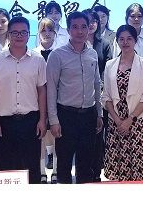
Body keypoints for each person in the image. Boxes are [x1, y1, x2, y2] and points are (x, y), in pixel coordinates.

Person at [0, 16, 47, 184]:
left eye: (23, 32)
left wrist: (42, 120)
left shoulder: (38, 60)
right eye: (15, 32)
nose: (19, 36)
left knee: (31, 168)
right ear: (8, 34)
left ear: (29, 34)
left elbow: (42, 91)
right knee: (4, 170)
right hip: (4, 123)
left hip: (31, 122)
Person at [46, 11, 102, 184]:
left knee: (86, 164)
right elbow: (51, 89)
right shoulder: (57, 55)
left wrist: (99, 113)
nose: (80, 31)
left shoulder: (92, 54)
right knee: (64, 164)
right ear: (68, 29)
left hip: (89, 115)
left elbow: (96, 84)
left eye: (84, 27)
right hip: (66, 116)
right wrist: (53, 120)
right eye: (75, 27)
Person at [102, 24, 143, 181]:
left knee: (140, 170)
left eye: (129, 39)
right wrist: (118, 120)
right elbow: (106, 97)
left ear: (135, 40)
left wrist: (130, 119)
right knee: (118, 171)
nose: (125, 42)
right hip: (116, 123)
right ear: (117, 41)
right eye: (121, 39)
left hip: (138, 122)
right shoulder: (110, 65)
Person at [83, 8, 113, 181]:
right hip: (81, 96)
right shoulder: (76, 44)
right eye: (88, 21)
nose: (92, 24)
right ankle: (85, 171)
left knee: (98, 133)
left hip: (100, 95)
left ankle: (97, 171)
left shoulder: (104, 44)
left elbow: (108, 68)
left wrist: (100, 87)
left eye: (94, 20)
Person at [33, 18, 58, 183]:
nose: (47, 33)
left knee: (56, 137)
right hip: (36, 101)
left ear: (55, 33)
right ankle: (41, 172)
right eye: (43, 30)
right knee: (39, 137)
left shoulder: (61, 52)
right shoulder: (33, 54)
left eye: (50, 30)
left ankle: (56, 171)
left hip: (57, 101)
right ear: (38, 33)